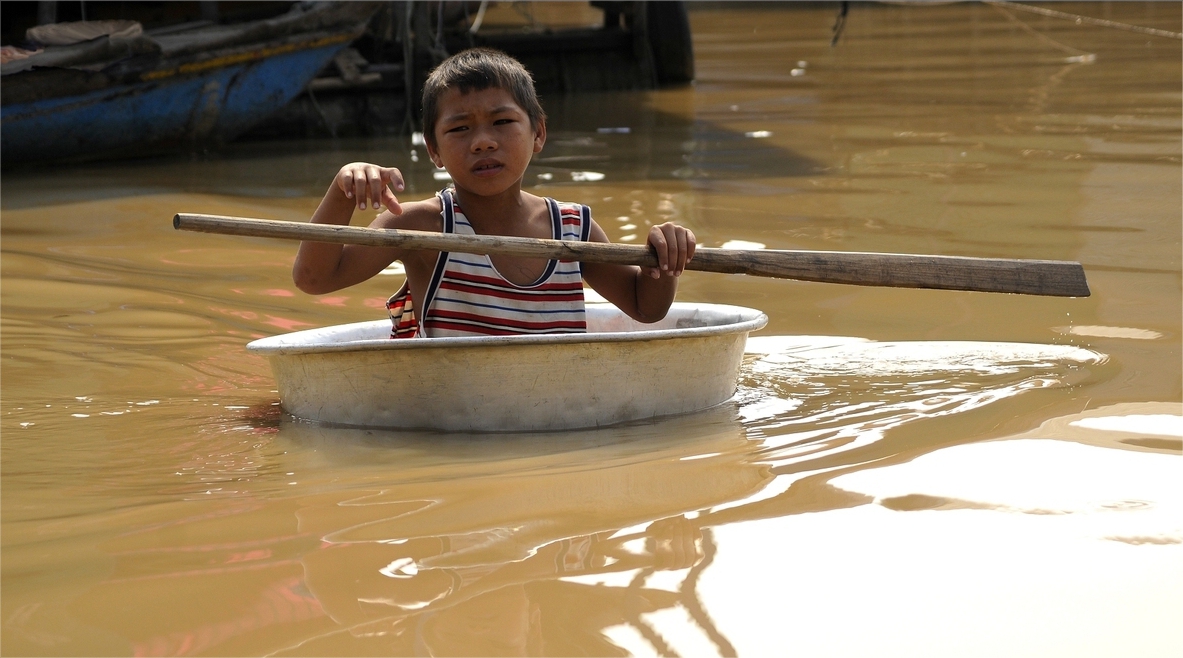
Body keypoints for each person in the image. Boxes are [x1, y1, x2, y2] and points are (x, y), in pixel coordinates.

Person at [292, 48, 695, 337]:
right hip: (457, 417)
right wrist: (342, 191)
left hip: (558, 413)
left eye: (502, 122)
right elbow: (314, 279)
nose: (483, 142)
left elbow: (647, 308)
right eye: (459, 128)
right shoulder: (422, 226)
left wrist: (664, 257)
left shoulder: (572, 228)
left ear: (538, 133)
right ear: (433, 151)